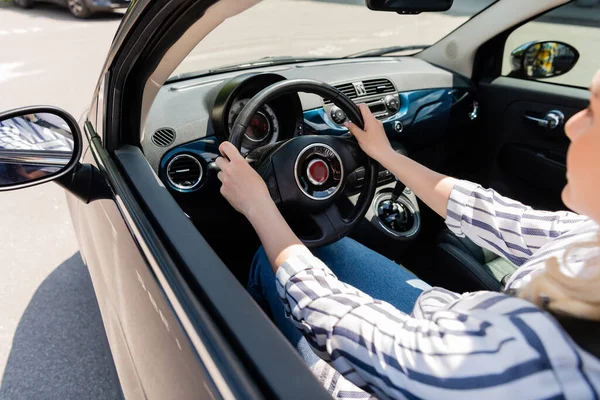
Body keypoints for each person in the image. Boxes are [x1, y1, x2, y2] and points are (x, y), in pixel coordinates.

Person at [214, 70, 600, 399]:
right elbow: (493, 214)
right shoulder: (591, 238)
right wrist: (386, 155)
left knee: (273, 262)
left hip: (401, 370)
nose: (571, 123)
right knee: (317, 253)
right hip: (452, 322)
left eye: (594, 112)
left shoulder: (536, 366)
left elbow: (339, 324)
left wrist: (258, 206)